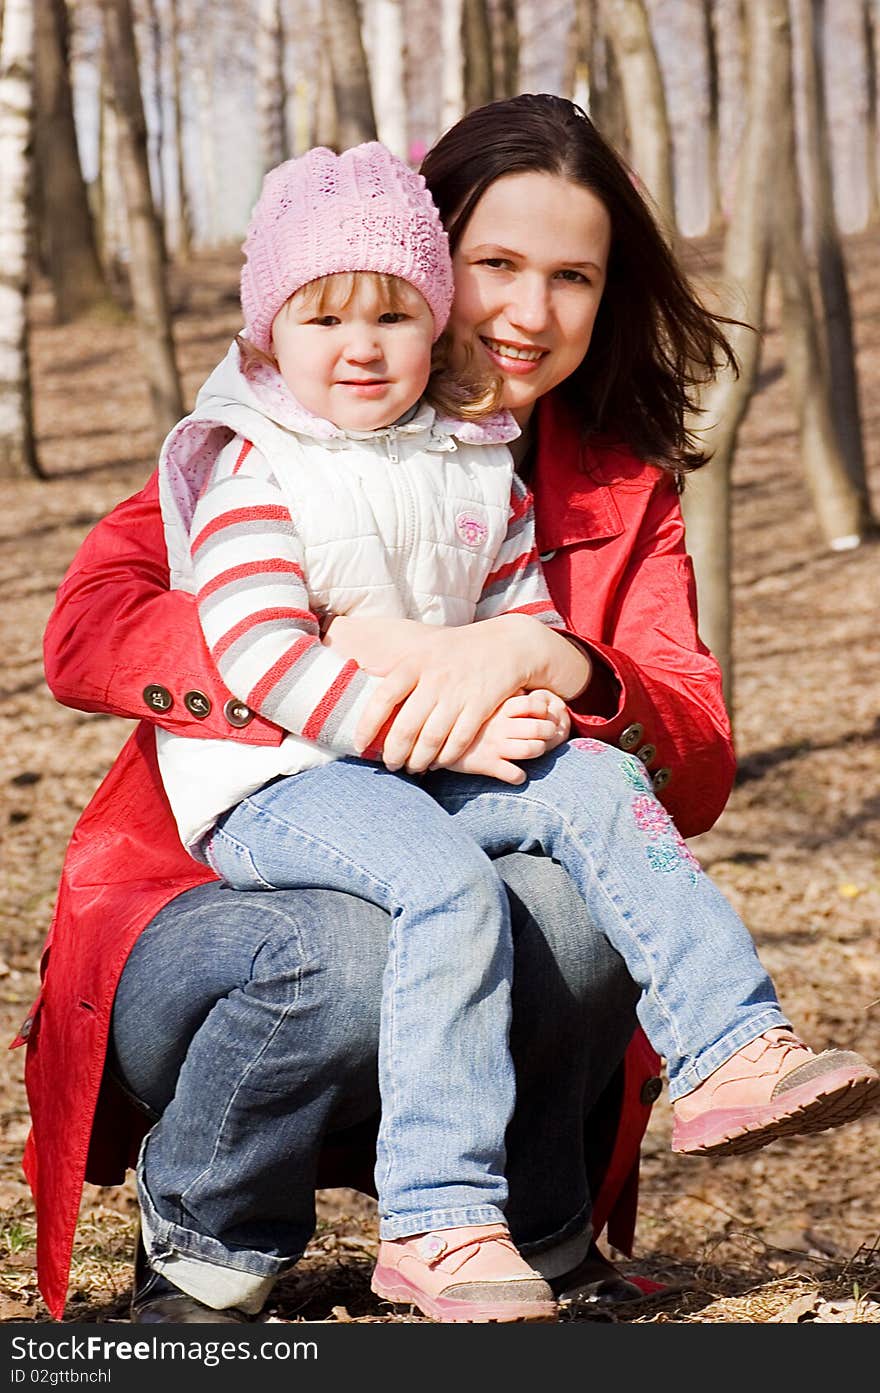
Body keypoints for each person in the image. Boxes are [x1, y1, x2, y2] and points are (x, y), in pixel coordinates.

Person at [16, 94, 868, 1326]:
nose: (530, 312)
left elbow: (690, 757)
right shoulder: (275, 431)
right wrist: (371, 668)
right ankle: (212, 1247)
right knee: (356, 937)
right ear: (428, 252)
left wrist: (547, 656)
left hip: (457, 828)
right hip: (226, 897)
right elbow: (88, 628)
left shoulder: (608, 486)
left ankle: (550, 1206)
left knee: (570, 903)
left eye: (571, 276)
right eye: (496, 266)